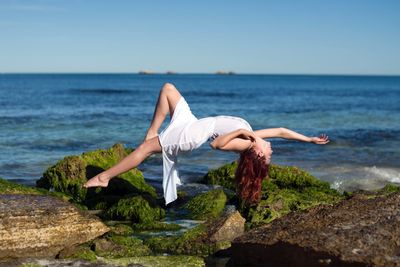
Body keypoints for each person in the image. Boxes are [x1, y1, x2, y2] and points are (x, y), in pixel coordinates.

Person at [83, 83, 329, 205]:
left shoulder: (246, 142)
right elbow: (282, 131)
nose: (271, 151)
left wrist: (244, 132)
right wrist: (308, 139)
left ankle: (105, 177)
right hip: (194, 123)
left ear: (256, 153)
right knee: (168, 89)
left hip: (193, 135)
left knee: (145, 150)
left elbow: (217, 145)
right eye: (270, 154)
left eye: (268, 155)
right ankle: (151, 131)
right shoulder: (254, 138)